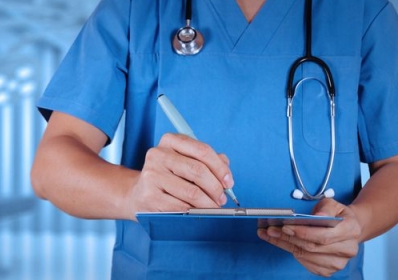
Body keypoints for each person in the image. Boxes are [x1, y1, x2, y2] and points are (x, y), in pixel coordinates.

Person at [30, 0, 398, 278]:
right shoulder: (135, 7)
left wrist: (359, 223)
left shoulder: (361, 10)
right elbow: (52, 166)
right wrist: (132, 193)